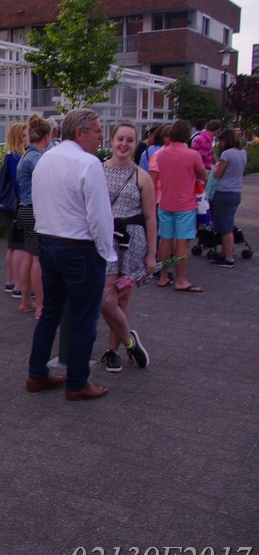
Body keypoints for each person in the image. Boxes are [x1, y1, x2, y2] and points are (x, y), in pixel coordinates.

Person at [27, 108, 115, 401]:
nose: (101, 136)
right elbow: (99, 216)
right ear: (80, 132)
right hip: (79, 247)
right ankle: (77, 383)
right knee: (83, 319)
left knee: (50, 313)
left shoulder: (44, 159)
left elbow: (38, 202)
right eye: (97, 130)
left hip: (47, 242)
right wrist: (106, 252)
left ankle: (37, 374)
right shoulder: (89, 163)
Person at [99, 121, 155, 372]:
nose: (124, 144)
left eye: (129, 140)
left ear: (135, 144)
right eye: (120, 139)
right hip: (105, 240)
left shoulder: (142, 177)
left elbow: (150, 217)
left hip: (132, 241)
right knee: (105, 298)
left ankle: (113, 350)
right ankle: (129, 340)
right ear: (111, 141)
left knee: (122, 298)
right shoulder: (98, 171)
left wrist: (152, 254)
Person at [151, 120, 207, 291]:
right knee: (182, 241)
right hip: (185, 204)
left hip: (165, 202)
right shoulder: (192, 155)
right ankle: (181, 280)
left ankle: (162, 276)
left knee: (165, 240)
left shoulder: (162, 154)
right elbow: (203, 175)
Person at [16, 113, 52, 319]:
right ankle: (40, 305)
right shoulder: (38, 159)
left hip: (23, 209)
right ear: (46, 137)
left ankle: (25, 301)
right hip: (35, 210)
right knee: (38, 259)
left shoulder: (24, 157)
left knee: (28, 256)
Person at [209, 129, 247, 267]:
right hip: (236, 192)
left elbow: (217, 174)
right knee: (228, 224)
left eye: (221, 141)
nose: (220, 143)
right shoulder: (242, 152)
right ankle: (225, 253)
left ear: (226, 140)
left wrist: (215, 167)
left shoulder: (227, 154)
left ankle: (228, 258)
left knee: (224, 228)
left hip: (224, 192)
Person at [0, 123, 27, 298]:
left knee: (12, 245)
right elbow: (19, 183)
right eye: (24, 136)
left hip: (8, 204)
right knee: (19, 246)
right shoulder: (17, 157)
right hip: (17, 203)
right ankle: (18, 284)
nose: (27, 139)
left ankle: (10, 281)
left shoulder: (9, 156)